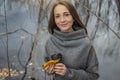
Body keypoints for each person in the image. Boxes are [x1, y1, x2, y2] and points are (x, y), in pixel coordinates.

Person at [43, 0, 99, 80]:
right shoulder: (50, 42)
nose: (62, 20)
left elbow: (93, 76)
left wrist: (68, 73)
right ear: (54, 20)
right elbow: (47, 69)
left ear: (73, 17)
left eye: (66, 15)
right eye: (57, 16)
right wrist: (49, 70)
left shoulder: (86, 44)